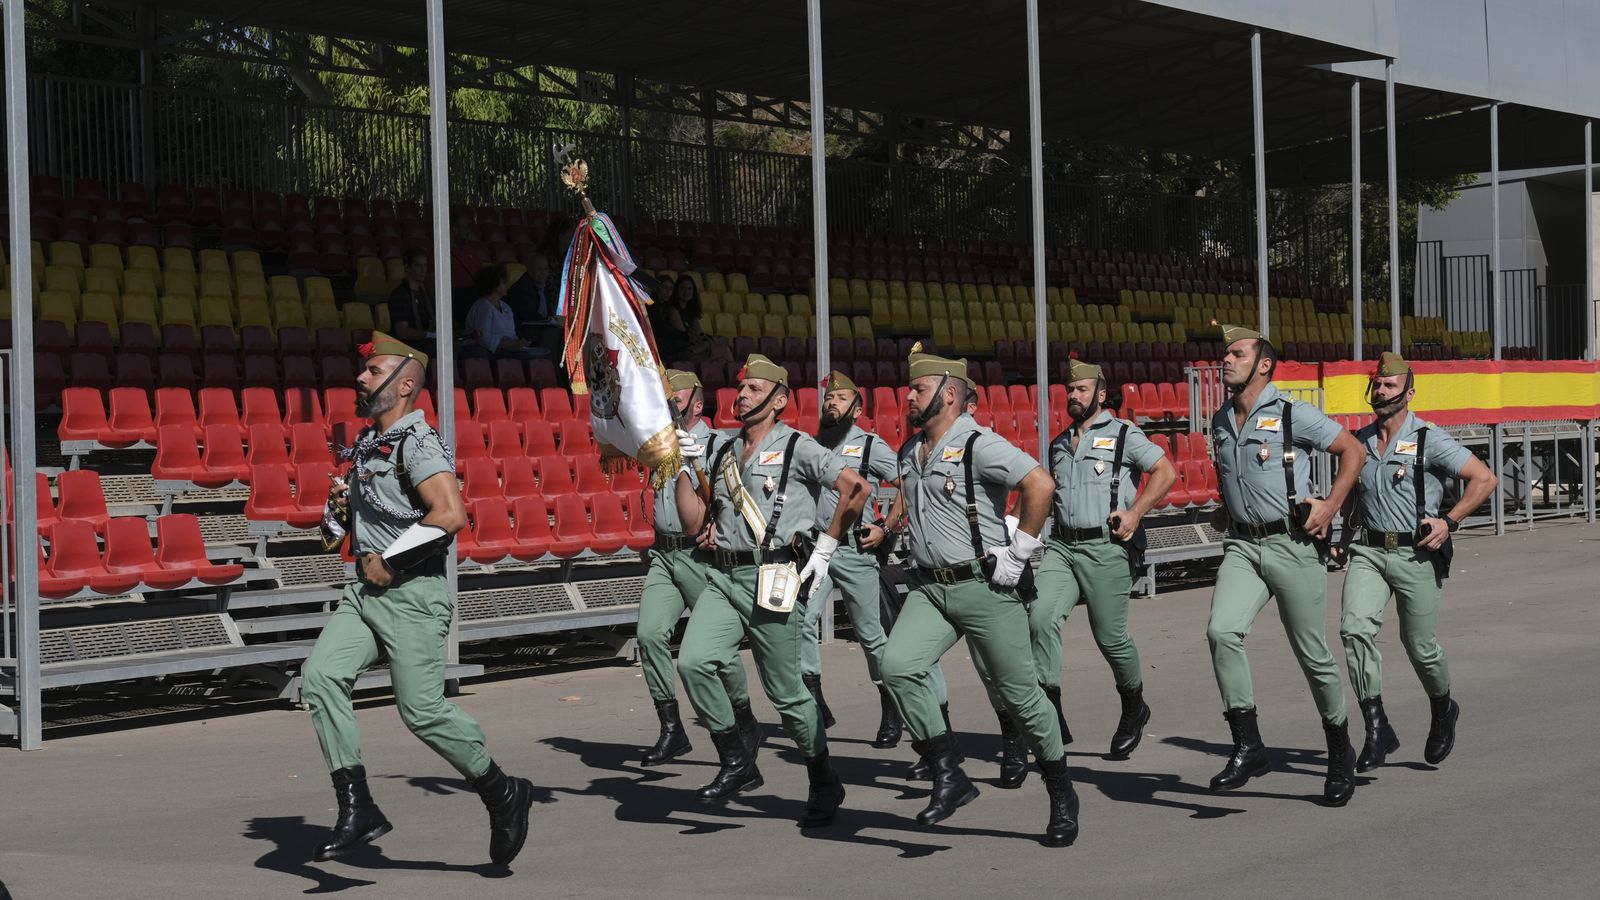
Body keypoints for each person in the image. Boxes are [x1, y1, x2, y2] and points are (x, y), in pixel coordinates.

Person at [303, 332, 533, 867]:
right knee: (318, 679)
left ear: (405, 384)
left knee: (422, 712)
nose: (361, 377)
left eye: (374, 370)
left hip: (410, 593)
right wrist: (340, 512)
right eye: (363, 370)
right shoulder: (367, 442)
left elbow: (449, 515)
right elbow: (355, 520)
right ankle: (357, 806)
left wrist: (391, 561)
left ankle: (501, 790)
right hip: (363, 592)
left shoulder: (418, 442)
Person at [877, 344, 1080, 848]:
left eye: (918, 389)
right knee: (897, 666)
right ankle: (950, 775)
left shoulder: (978, 444)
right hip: (929, 587)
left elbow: (1040, 484)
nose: (908, 397)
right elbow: (913, 500)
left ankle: (1061, 790)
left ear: (948, 394)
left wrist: (1018, 554)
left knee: (1021, 698)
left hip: (983, 585)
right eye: (909, 388)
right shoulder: (910, 451)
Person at [674, 354, 871, 828]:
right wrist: (683, 467)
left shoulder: (799, 446)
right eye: (741, 389)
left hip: (774, 577)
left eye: (755, 390)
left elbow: (857, 489)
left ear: (780, 399)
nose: (742, 396)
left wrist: (826, 547)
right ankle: (738, 759)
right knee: (693, 661)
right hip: (725, 577)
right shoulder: (721, 449)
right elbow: (696, 522)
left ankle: (823, 777)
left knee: (787, 696)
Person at [1204, 323, 1365, 807]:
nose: (1225, 360)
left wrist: (1331, 506)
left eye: (1236, 353)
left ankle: (1339, 749)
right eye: (1225, 354)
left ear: (1264, 364)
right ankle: (1248, 744)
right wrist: (1228, 507)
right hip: (1242, 546)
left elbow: (1352, 451)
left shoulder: (1294, 412)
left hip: (1292, 545)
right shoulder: (1220, 419)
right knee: (1221, 632)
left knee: (1311, 653)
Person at [1332, 352, 1494, 771]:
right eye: (1378, 385)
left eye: (1390, 385)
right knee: (1354, 629)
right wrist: (1344, 538)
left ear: (1409, 392)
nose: (1382, 392)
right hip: (1368, 551)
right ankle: (1376, 725)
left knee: (1419, 646)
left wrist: (1449, 522)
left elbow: (1485, 479)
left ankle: (1443, 708)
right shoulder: (1359, 440)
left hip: (1415, 554)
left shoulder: (1429, 439)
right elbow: (1353, 495)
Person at [1020, 357, 1177, 767]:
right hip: (1063, 547)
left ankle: (1133, 704)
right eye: (1069, 390)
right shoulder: (1058, 443)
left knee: (1110, 638)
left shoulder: (1124, 434)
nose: (1073, 396)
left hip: (1107, 547)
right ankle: (1049, 714)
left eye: (1082, 389)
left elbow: (1165, 472)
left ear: (1100, 394)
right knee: (1040, 618)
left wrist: (1136, 512)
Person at [635, 368, 759, 766]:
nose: (668, 401)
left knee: (716, 649)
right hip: (664, 554)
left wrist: (720, 529)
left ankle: (742, 717)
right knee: (650, 635)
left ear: (697, 404)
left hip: (700, 556)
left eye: (677, 395)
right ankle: (671, 728)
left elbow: (739, 496)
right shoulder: (659, 444)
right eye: (665, 395)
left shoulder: (720, 444)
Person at [801, 370, 905, 747]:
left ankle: (891, 704)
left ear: (857, 410)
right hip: (817, 550)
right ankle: (814, 700)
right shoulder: (813, 445)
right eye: (828, 399)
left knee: (871, 636)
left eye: (841, 399)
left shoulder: (869, 445)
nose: (831, 403)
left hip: (855, 551)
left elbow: (907, 484)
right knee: (802, 621)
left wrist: (887, 528)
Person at [464, 265, 543, 360]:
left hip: (509, 350)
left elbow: (511, 334)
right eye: (503, 282)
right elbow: (483, 338)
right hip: (492, 352)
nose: (507, 285)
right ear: (494, 284)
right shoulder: (483, 306)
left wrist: (520, 343)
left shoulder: (506, 307)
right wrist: (505, 344)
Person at [651, 275, 728, 363]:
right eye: (683, 288)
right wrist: (697, 339)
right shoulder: (667, 309)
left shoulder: (689, 310)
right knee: (715, 353)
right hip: (673, 349)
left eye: (689, 289)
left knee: (721, 349)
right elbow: (682, 335)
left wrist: (701, 339)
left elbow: (698, 333)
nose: (686, 292)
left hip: (687, 346)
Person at [386, 248, 436, 361]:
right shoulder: (400, 295)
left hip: (425, 343)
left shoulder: (424, 294)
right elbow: (402, 331)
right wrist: (428, 335)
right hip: (408, 346)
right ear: (407, 268)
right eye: (418, 266)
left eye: (425, 265)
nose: (423, 270)